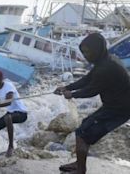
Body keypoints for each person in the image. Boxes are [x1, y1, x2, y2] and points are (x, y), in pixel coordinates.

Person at [54, 33, 130, 174]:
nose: (85, 56)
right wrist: (67, 87)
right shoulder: (105, 60)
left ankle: (81, 170)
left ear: (97, 49)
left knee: (83, 132)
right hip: (115, 106)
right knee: (84, 128)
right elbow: (87, 79)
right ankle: (79, 164)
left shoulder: (106, 67)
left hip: (120, 109)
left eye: (88, 52)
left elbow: (91, 90)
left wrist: (72, 95)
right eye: (83, 52)